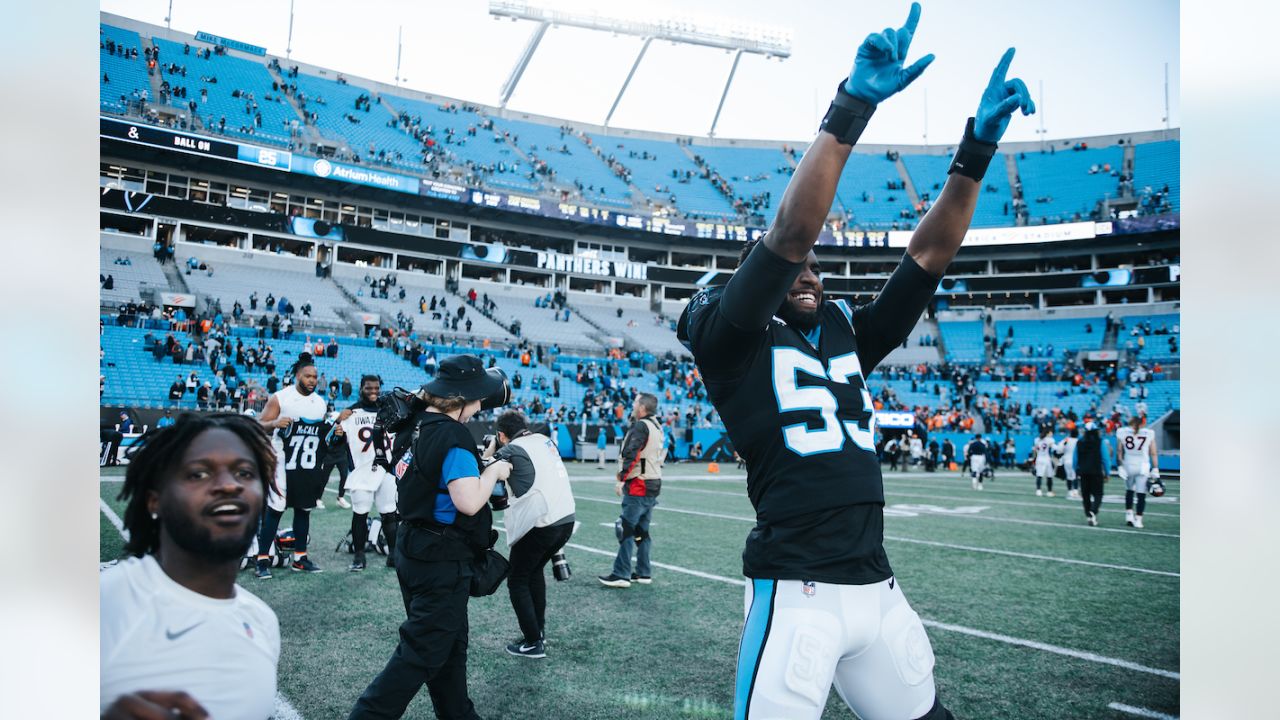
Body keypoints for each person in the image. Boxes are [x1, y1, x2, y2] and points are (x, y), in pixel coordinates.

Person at [675, 5, 1032, 717]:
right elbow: (790, 232)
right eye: (789, 271)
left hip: (877, 584)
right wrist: (852, 106)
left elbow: (928, 257)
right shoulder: (734, 342)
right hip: (796, 586)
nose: (807, 273)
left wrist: (975, 156)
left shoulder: (842, 329)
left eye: (814, 269)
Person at [349, 354, 507, 720]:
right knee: (420, 653)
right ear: (463, 398)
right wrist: (494, 471)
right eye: (479, 397)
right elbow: (468, 502)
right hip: (441, 559)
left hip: (414, 546)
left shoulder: (416, 423)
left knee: (448, 648)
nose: (482, 404)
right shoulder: (453, 435)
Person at [101, 413, 280, 719]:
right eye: (198, 474)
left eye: (245, 473)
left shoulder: (262, 620)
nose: (228, 485)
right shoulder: (104, 604)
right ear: (154, 501)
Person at [480, 410, 576, 659]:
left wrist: (491, 448)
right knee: (533, 573)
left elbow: (482, 469)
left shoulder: (511, 448)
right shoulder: (545, 440)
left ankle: (533, 642)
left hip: (542, 522)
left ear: (502, 435)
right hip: (565, 518)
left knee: (517, 580)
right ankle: (538, 632)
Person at [253, 353, 330, 578]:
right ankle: (262, 559)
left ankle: (300, 558)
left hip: (306, 463)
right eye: (308, 376)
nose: (312, 380)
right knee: (276, 508)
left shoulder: (320, 403)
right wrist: (275, 423)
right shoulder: (280, 398)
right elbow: (258, 426)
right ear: (298, 376)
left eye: (315, 377)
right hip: (280, 460)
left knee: (304, 508)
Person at [598, 392, 665, 588]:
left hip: (640, 482)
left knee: (625, 528)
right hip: (653, 480)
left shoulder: (641, 426)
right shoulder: (656, 426)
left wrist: (621, 479)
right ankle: (644, 572)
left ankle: (621, 574)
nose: (633, 406)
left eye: (636, 403)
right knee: (641, 531)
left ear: (642, 407)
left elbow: (631, 453)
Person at [333, 375, 399, 571]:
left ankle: (394, 555)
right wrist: (338, 423)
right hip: (361, 471)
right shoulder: (351, 412)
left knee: (389, 514)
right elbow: (333, 440)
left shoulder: (388, 410)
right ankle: (359, 556)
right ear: (361, 388)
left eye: (377, 388)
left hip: (385, 469)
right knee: (360, 514)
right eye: (369, 388)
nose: (373, 392)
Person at [1116, 415, 1158, 528]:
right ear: (1142, 424)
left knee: (1129, 491)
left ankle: (1129, 515)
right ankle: (1138, 519)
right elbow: (1153, 453)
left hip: (1128, 464)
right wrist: (1155, 468)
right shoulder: (1148, 433)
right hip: (1143, 466)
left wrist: (1120, 466)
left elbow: (1119, 451)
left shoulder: (1122, 432)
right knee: (1141, 494)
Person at [1075, 419, 1111, 526]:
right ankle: (1093, 511)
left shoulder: (1080, 442)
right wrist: (1107, 472)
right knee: (1098, 494)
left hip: (1083, 472)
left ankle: (1088, 514)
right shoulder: (1100, 442)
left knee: (1085, 495)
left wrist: (1076, 470)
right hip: (1096, 472)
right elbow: (1105, 459)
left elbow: (1075, 459)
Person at [1032, 425, 1056, 497]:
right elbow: (1055, 448)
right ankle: (1049, 491)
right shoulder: (1050, 440)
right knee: (1049, 476)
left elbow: (1035, 450)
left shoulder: (1037, 439)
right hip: (1047, 459)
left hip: (1039, 459)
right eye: (1051, 432)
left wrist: (1034, 459)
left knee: (1039, 475)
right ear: (1048, 432)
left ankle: (1038, 490)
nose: (1052, 433)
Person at [1057, 428, 1080, 499]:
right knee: (1075, 476)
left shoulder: (1066, 440)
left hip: (1066, 460)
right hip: (1075, 460)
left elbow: (1059, 450)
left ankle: (1070, 491)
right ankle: (1075, 491)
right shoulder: (1078, 441)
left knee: (1069, 477)